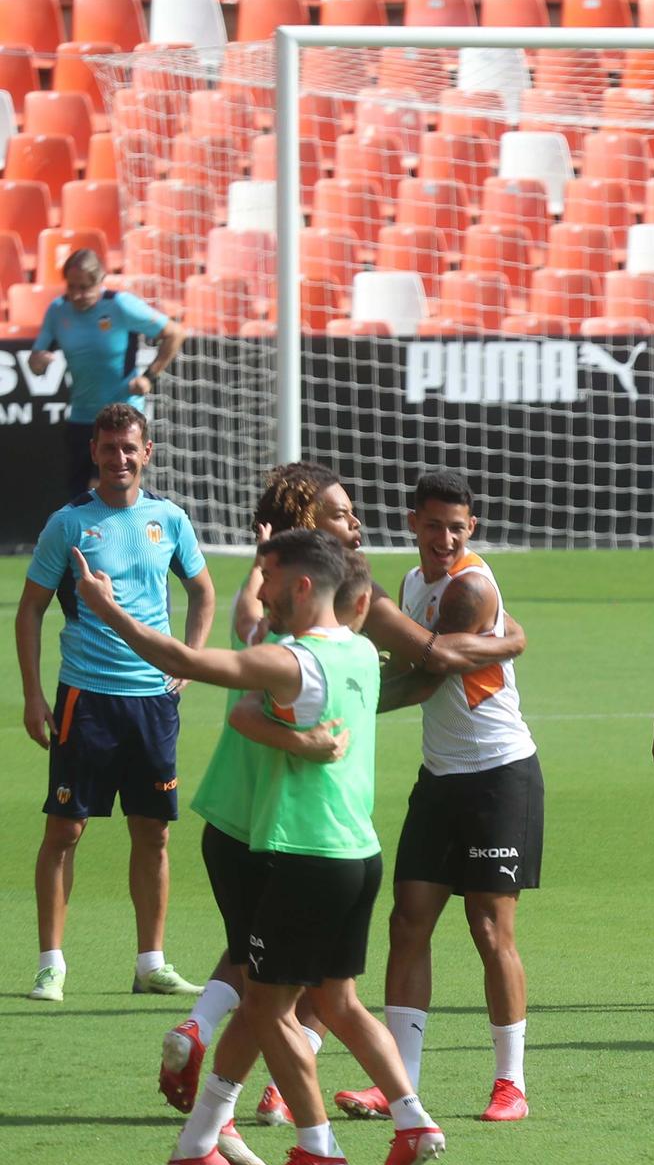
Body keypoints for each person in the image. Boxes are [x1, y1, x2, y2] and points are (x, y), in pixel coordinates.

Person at [74, 529, 445, 1165]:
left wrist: (106, 609)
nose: (262, 591)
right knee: (338, 1001)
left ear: (302, 586)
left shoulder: (292, 662)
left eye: (268, 577)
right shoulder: (359, 651)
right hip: (358, 854)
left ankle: (317, 1149)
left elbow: (179, 657)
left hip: (303, 856)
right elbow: (254, 708)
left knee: (269, 1007)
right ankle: (413, 1122)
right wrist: (293, 737)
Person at [158, 462, 523, 1127]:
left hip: (239, 798)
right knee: (303, 973)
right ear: (309, 525)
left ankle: (207, 1058)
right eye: (341, 514)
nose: (356, 524)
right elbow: (430, 659)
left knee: (262, 954)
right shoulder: (352, 597)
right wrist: (511, 640)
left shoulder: (263, 595)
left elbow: (242, 673)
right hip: (299, 811)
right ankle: (331, 1124)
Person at [333, 471, 543, 1125]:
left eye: (457, 526)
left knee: (489, 929)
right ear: (412, 522)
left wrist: (348, 701)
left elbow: (428, 674)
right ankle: (399, 1084)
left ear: (471, 529)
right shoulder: (411, 583)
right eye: (433, 524)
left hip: (498, 775)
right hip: (440, 775)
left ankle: (511, 1085)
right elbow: (415, 660)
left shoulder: (471, 585)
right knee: (408, 922)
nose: (445, 537)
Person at [16, 404, 215, 1002]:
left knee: (153, 834)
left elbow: (202, 592)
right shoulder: (69, 524)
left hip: (153, 702)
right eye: (109, 448)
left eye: (130, 448)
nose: (119, 458)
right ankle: (51, 963)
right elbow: (30, 608)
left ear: (146, 452)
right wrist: (33, 693)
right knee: (65, 830)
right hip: (86, 697)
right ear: (95, 453)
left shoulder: (170, 519)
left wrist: (189, 659)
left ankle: (150, 963)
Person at [28, 250, 185, 498]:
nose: (77, 294)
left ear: (101, 281)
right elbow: (36, 362)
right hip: (82, 414)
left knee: (111, 489)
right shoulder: (58, 310)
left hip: (123, 414)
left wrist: (149, 376)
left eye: (85, 287)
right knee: (80, 496)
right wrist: (38, 362)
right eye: (72, 286)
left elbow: (175, 333)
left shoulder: (120, 305)